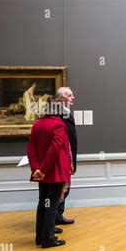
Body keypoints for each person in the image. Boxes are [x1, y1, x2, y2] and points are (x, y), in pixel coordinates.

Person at [27, 98, 71, 248]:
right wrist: (44, 169)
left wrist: (37, 169)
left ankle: (40, 236)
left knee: (42, 203)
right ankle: (48, 239)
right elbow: (55, 149)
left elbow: (30, 148)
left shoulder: (37, 124)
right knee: (52, 204)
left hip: (41, 172)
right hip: (54, 171)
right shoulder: (58, 124)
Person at [55, 87, 77, 226]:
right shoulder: (58, 115)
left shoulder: (67, 113)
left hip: (68, 156)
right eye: (69, 95)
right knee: (60, 189)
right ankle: (54, 218)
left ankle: (58, 215)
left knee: (66, 187)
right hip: (62, 158)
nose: (73, 97)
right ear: (61, 98)